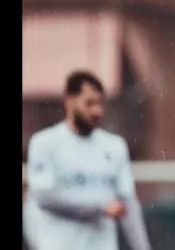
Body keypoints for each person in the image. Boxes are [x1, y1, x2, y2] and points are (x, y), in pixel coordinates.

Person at [24, 71, 151, 250]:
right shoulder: (45, 143)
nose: (96, 111)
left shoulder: (114, 146)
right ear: (69, 101)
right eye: (89, 103)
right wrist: (99, 208)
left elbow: (128, 204)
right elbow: (44, 197)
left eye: (100, 104)